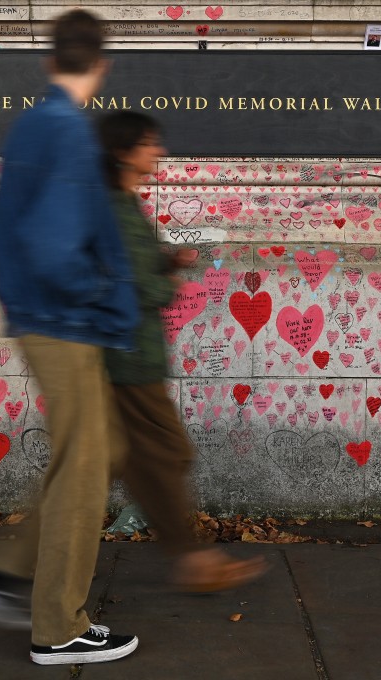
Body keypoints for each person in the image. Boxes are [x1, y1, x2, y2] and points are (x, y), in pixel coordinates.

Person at [0, 9, 141, 666]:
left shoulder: (33, 124)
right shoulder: (68, 133)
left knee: (103, 447)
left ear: (50, 60)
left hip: (40, 315)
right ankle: (59, 625)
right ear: (103, 65)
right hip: (63, 321)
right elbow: (54, 247)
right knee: (84, 470)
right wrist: (101, 289)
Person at [98, 111, 267, 593]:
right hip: (129, 357)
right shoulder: (113, 205)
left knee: (124, 461)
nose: (160, 151)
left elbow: (131, 266)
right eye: (150, 143)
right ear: (124, 152)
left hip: (134, 354)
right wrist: (165, 283)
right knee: (163, 453)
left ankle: (19, 562)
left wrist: (167, 260)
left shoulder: (124, 202)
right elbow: (126, 283)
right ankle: (192, 562)